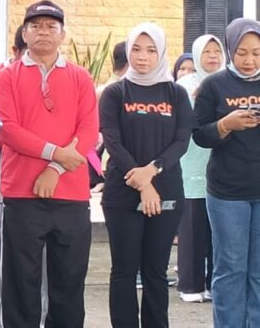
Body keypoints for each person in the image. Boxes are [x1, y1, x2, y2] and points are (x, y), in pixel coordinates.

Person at [0, 0, 99, 327]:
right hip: (21, 194)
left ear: (62, 35)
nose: (43, 32)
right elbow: (7, 130)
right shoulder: (6, 77)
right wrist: (55, 153)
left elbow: (88, 130)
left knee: (69, 283)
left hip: (71, 194)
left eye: (51, 26)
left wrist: (55, 168)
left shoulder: (80, 77)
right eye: (35, 26)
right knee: (20, 283)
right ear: (24, 33)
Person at [99, 23, 192, 327]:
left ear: (161, 53)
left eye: (151, 50)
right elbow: (112, 140)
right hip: (121, 193)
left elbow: (182, 140)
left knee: (155, 271)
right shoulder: (115, 92)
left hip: (166, 190)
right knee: (124, 270)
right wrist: (141, 182)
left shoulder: (176, 93)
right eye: (136, 49)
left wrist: (152, 172)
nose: (142, 56)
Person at [192, 18, 260, 327]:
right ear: (231, 49)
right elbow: (198, 135)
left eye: (256, 53)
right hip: (227, 193)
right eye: (242, 52)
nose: (249, 60)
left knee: (258, 271)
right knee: (231, 267)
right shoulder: (214, 85)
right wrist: (224, 125)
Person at [0, 25, 48, 328]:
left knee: (49, 265)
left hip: (52, 185)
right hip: (9, 186)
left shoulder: (60, 77)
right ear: (16, 51)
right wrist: (32, 140)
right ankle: (5, 320)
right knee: (9, 263)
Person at [176, 34, 224, 303]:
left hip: (222, 168)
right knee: (193, 230)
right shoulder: (184, 86)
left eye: (217, 50)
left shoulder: (228, 83)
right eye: (207, 51)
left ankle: (214, 283)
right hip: (191, 166)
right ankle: (191, 285)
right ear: (196, 55)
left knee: (219, 232)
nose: (213, 56)